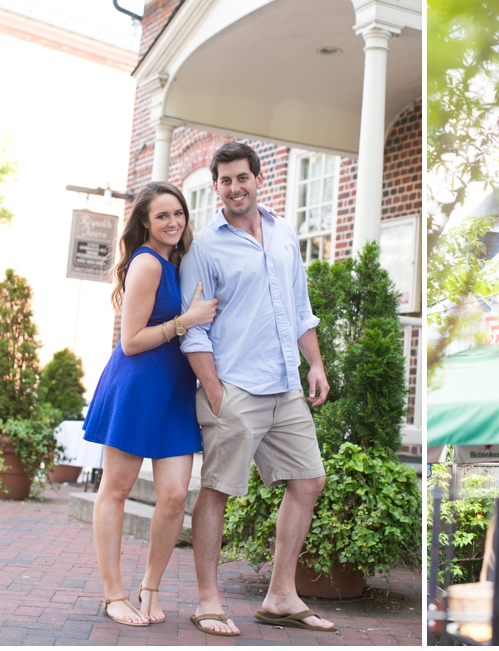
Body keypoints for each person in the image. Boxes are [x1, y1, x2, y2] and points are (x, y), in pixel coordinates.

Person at [179, 142, 333, 636]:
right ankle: (208, 600)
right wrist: (214, 389)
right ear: (216, 186)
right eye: (224, 180)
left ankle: (282, 596)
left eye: (241, 177)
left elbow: (298, 306)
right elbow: (193, 328)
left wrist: (315, 364)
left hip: (286, 382)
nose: (233, 187)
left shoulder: (284, 232)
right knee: (219, 489)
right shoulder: (204, 247)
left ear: (257, 178)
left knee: (308, 481)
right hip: (236, 385)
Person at [82, 182, 218, 626]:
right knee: (116, 489)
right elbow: (131, 341)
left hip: (175, 390)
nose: (173, 222)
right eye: (162, 216)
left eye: (178, 213)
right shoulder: (146, 263)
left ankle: (151, 586)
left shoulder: (177, 260)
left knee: (176, 495)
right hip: (138, 386)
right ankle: (113, 594)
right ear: (145, 221)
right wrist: (185, 322)